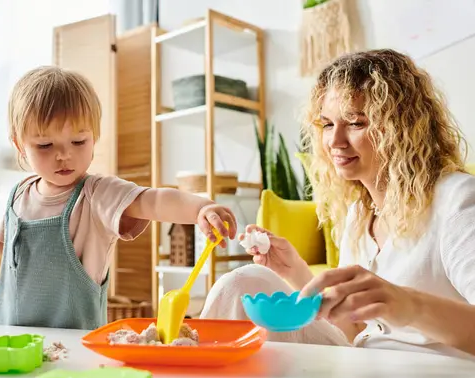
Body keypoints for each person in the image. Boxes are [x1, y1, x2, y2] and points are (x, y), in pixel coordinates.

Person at [200, 49, 475, 360]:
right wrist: (297, 273)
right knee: (245, 282)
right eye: (328, 124)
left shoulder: (457, 201)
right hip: (365, 368)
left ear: (402, 127)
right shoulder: (361, 213)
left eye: (356, 123)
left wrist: (410, 305)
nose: (335, 141)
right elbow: (354, 330)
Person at [0, 66, 237, 330]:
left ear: (94, 136)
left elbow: (153, 200)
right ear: (19, 145)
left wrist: (201, 208)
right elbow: (1, 242)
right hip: (11, 342)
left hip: (76, 350)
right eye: (45, 145)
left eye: (78, 141)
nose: (63, 156)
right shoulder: (18, 196)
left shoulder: (97, 194)